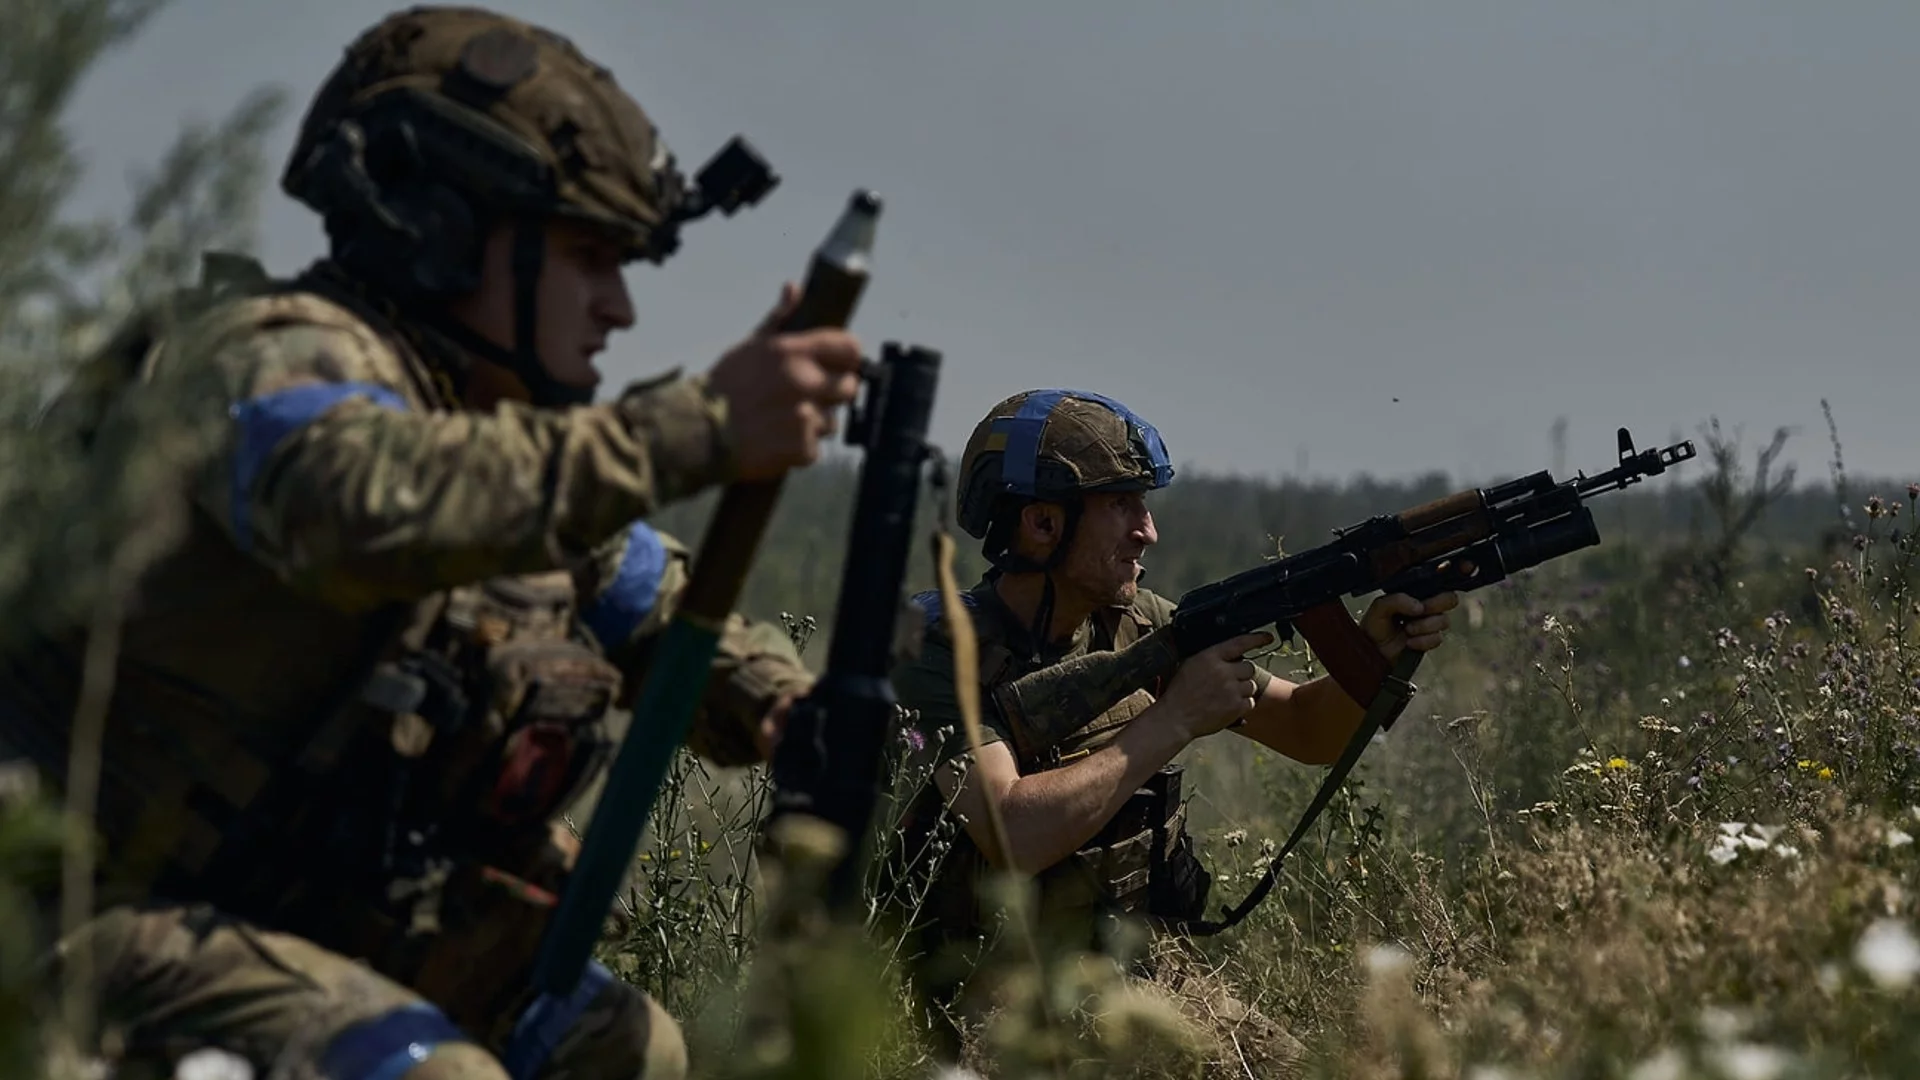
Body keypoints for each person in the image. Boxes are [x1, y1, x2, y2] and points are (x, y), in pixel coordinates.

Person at [0, 7, 862, 1079]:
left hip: (278, 906)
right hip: (70, 906)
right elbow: (359, 505)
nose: (622, 308)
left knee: (625, 1048)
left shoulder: (483, 435)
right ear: (442, 226)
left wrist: (781, 704)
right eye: (591, 258)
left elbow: (641, 597)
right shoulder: (272, 355)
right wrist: (694, 429)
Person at [886, 388, 1460, 1066]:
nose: (1148, 530)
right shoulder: (939, 651)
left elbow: (1308, 730)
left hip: (1136, 973)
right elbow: (1013, 832)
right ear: (1042, 524)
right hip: (990, 1000)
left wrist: (1373, 656)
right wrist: (1177, 717)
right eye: (1122, 504)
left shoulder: (1139, 626)